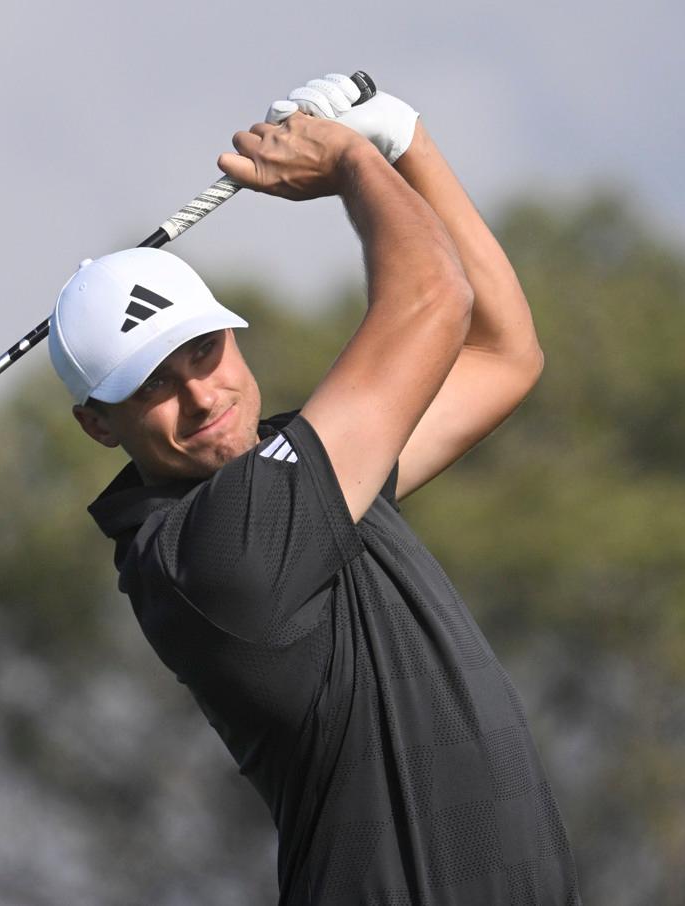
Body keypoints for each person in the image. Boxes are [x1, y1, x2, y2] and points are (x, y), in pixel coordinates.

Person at [49, 73, 579, 905]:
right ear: (99, 425)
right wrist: (353, 166)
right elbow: (433, 298)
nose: (202, 395)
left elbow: (501, 356)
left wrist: (408, 145)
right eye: (154, 384)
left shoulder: (301, 479)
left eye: (204, 352)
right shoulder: (210, 553)